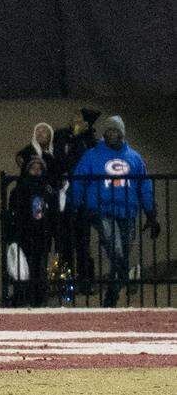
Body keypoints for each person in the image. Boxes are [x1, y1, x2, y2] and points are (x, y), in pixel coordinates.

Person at [70, 115, 160, 307]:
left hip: (128, 212)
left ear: (121, 134)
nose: (111, 134)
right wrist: (75, 205)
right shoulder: (92, 155)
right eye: (108, 131)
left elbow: (144, 186)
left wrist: (151, 213)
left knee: (120, 256)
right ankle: (129, 273)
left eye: (115, 131)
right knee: (116, 250)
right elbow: (79, 181)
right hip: (101, 210)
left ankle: (111, 297)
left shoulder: (134, 158)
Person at [54, 108, 101, 293]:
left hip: (82, 198)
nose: (74, 119)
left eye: (79, 118)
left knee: (83, 242)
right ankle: (65, 282)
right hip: (65, 194)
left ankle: (86, 281)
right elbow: (60, 161)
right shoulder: (62, 136)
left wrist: (80, 138)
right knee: (64, 241)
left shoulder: (90, 142)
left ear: (87, 124)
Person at [5, 156, 55, 306]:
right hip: (24, 233)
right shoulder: (20, 189)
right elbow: (14, 212)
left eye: (39, 169)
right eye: (33, 168)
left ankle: (38, 298)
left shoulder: (47, 189)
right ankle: (22, 297)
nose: (36, 171)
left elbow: (52, 213)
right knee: (22, 268)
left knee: (39, 267)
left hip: (42, 233)